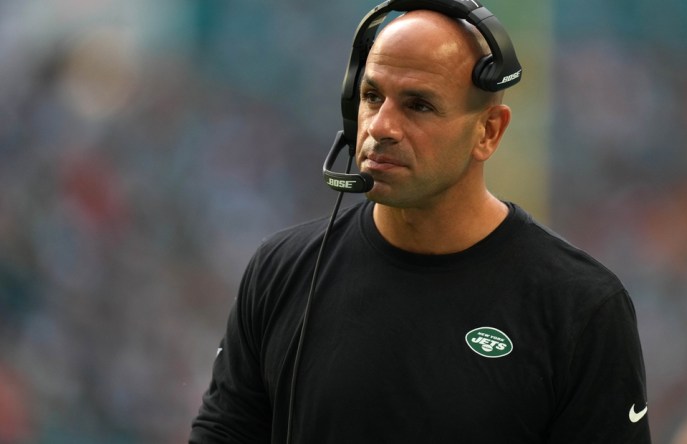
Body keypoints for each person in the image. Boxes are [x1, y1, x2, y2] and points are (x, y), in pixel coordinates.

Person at [190, 5, 652, 444]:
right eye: (372, 96)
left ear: (488, 131)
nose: (381, 126)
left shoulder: (581, 308)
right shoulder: (280, 272)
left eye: (419, 105)